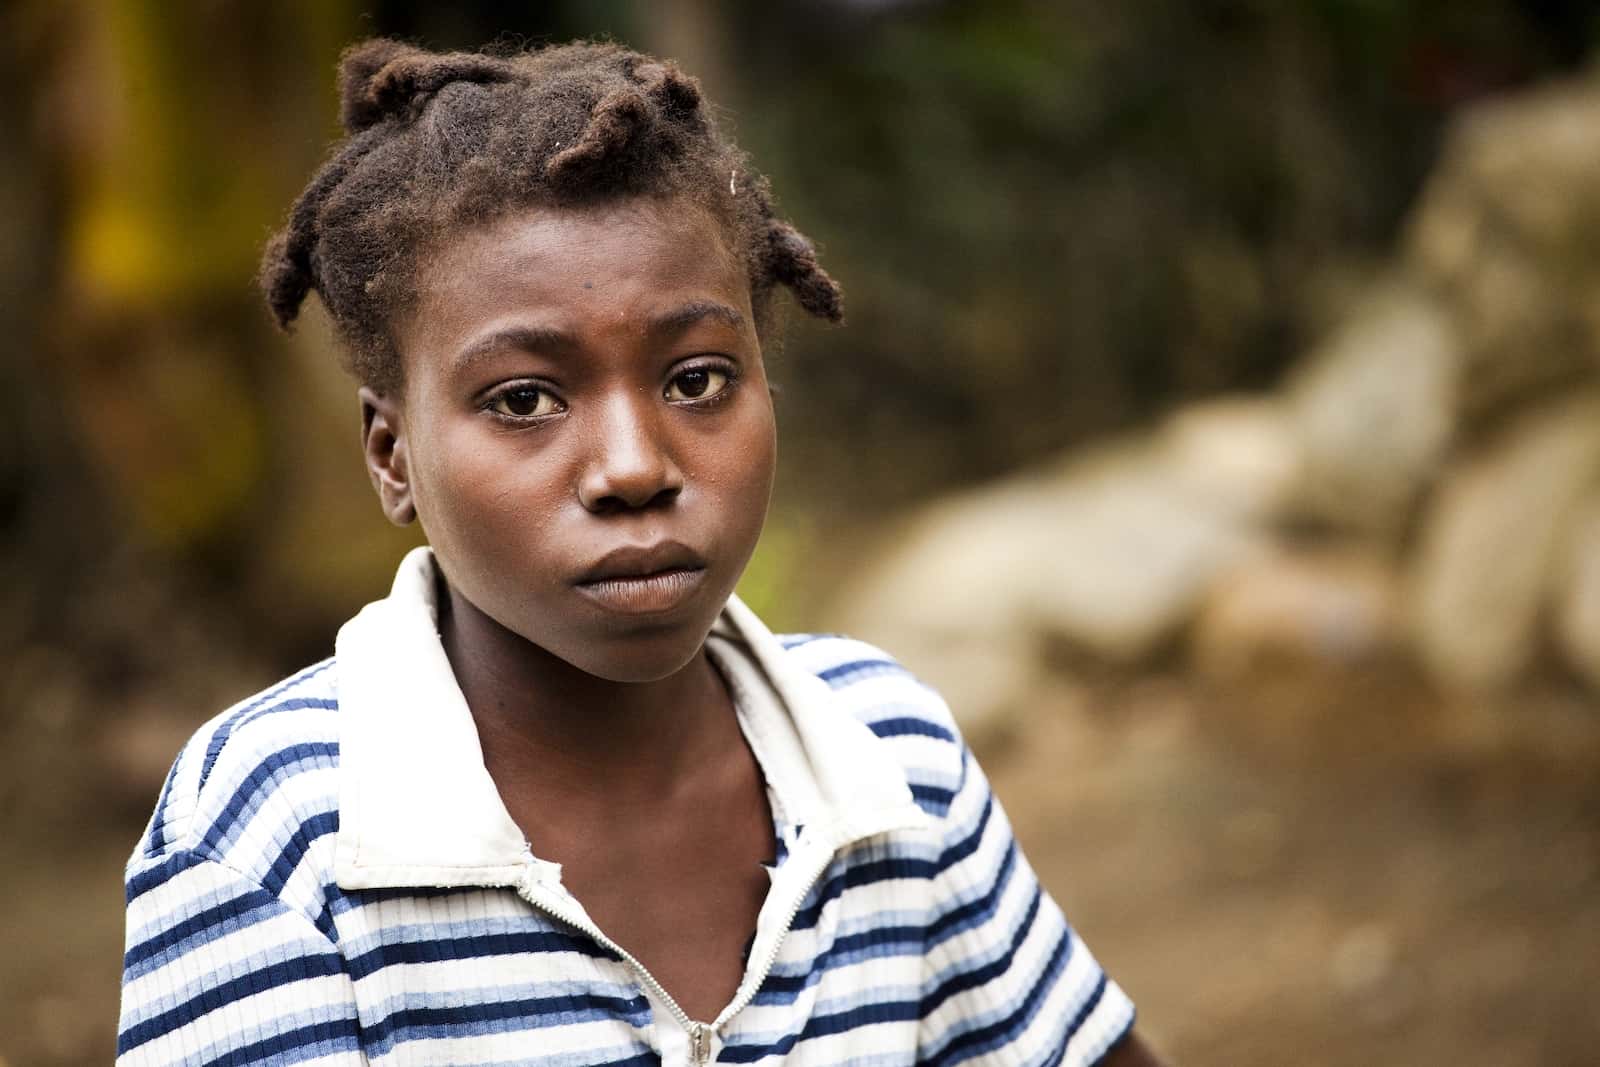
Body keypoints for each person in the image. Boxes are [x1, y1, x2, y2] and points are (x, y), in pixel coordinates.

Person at [116, 38, 1165, 1066]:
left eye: (697, 378)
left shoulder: (889, 757)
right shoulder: (278, 831)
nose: (633, 466)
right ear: (393, 456)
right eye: (524, 399)